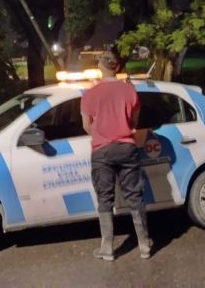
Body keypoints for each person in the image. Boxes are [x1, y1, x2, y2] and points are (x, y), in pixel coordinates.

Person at [80, 50, 152, 261]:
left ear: (100, 67)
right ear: (117, 67)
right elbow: (134, 121)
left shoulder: (90, 95)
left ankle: (107, 248)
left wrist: (102, 134)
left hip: (102, 150)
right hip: (126, 147)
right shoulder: (129, 91)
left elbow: (86, 125)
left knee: (105, 198)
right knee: (134, 197)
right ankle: (144, 245)